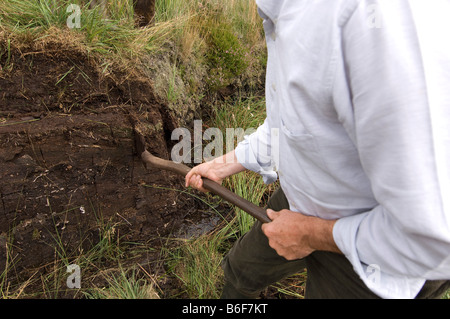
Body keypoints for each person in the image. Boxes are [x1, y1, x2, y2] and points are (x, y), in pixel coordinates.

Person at [185, 0, 450, 299]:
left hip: (375, 262)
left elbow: (435, 237)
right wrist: (227, 163)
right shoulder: (289, 10)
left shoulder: (377, 22)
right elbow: (299, 118)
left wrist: (310, 234)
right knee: (240, 271)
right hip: (303, 202)